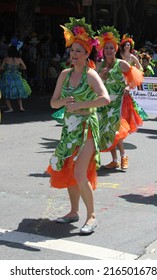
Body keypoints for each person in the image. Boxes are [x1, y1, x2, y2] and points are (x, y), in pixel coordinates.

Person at [47, 17, 110, 235]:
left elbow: (105, 99)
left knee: (79, 171)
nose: (73, 55)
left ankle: (91, 216)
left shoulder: (91, 75)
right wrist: (64, 103)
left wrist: (81, 104)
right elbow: (53, 102)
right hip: (69, 128)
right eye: (72, 50)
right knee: (68, 169)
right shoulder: (64, 75)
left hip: (87, 129)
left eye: (79, 51)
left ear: (86, 54)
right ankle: (73, 211)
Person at [96, 26, 144, 170]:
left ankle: (123, 156)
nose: (108, 51)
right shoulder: (100, 65)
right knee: (106, 131)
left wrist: (128, 87)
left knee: (115, 129)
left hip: (118, 102)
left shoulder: (121, 64)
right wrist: (101, 76)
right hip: (104, 102)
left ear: (116, 49)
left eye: (111, 48)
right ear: (103, 51)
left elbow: (135, 77)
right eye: (106, 48)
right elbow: (94, 84)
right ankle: (114, 160)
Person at [0, 38, 31, 112]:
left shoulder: (6, 58)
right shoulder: (19, 59)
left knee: (6, 93)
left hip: (7, 76)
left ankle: (10, 108)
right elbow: (25, 68)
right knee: (19, 91)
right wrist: (17, 67)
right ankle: (21, 107)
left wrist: (7, 67)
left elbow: (1, 68)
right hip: (16, 75)